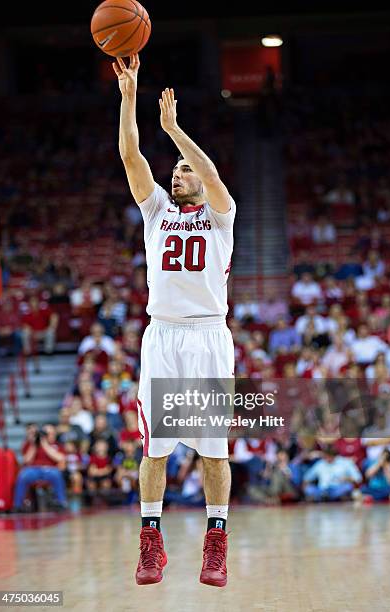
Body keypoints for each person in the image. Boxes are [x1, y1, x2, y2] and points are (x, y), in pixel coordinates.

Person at [113, 54, 235, 587]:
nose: (178, 173)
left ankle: (215, 541)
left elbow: (209, 172)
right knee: (155, 449)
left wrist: (175, 130)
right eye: (176, 169)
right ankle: (150, 542)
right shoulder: (157, 211)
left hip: (209, 335)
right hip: (162, 336)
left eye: (185, 170)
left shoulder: (222, 214)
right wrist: (129, 97)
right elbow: (130, 156)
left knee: (213, 451)